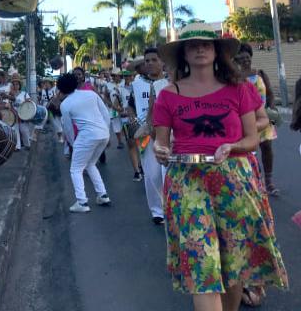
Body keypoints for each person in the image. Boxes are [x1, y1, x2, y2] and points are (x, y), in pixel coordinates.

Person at [153, 33, 288, 311]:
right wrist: (160, 150)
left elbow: (252, 138)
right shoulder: (168, 95)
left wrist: (232, 146)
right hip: (187, 183)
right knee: (201, 265)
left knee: (234, 259)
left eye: (206, 44)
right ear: (183, 54)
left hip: (234, 180)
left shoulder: (239, 88)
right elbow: (162, 142)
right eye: (192, 45)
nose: (200, 49)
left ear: (217, 52)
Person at [58, 73, 111, 212]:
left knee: (76, 169)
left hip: (86, 136)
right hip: (103, 133)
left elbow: (68, 128)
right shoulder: (91, 94)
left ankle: (82, 202)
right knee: (90, 164)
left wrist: (73, 143)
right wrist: (106, 131)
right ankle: (102, 195)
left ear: (61, 89)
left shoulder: (65, 104)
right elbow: (105, 113)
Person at [233, 43, 279, 196]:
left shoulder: (260, 73)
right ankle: (254, 182)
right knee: (249, 152)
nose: (246, 61)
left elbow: (270, 93)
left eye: (247, 57)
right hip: (245, 121)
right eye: (242, 58)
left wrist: (271, 110)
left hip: (263, 118)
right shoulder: (235, 79)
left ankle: (269, 182)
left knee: (267, 149)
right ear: (237, 61)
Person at [129, 48, 169, 224]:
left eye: (154, 60)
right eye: (147, 61)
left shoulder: (171, 83)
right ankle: (157, 211)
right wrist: (133, 119)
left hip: (168, 133)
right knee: (152, 174)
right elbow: (130, 105)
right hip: (145, 134)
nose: (150, 63)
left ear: (162, 62)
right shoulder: (137, 85)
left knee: (168, 172)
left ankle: (171, 207)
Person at [106, 68, 126, 149]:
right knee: (116, 125)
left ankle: (127, 139)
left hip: (124, 108)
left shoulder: (125, 83)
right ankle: (120, 142)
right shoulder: (108, 85)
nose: (114, 77)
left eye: (115, 75)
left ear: (120, 76)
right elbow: (106, 97)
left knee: (126, 124)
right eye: (112, 75)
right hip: (114, 109)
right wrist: (111, 105)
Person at [10, 74, 31, 150]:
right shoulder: (10, 95)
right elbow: (9, 104)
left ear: (19, 85)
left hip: (23, 116)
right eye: (14, 84)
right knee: (15, 131)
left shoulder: (24, 94)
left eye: (17, 84)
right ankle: (17, 146)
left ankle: (27, 144)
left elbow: (29, 103)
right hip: (14, 115)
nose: (16, 86)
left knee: (24, 130)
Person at [40, 78, 63, 142]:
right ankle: (35, 135)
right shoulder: (43, 91)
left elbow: (59, 97)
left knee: (56, 122)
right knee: (41, 121)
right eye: (45, 83)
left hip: (52, 109)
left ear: (50, 83)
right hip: (45, 109)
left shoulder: (55, 89)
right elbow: (42, 100)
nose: (45, 84)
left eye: (47, 82)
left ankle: (60, 137)